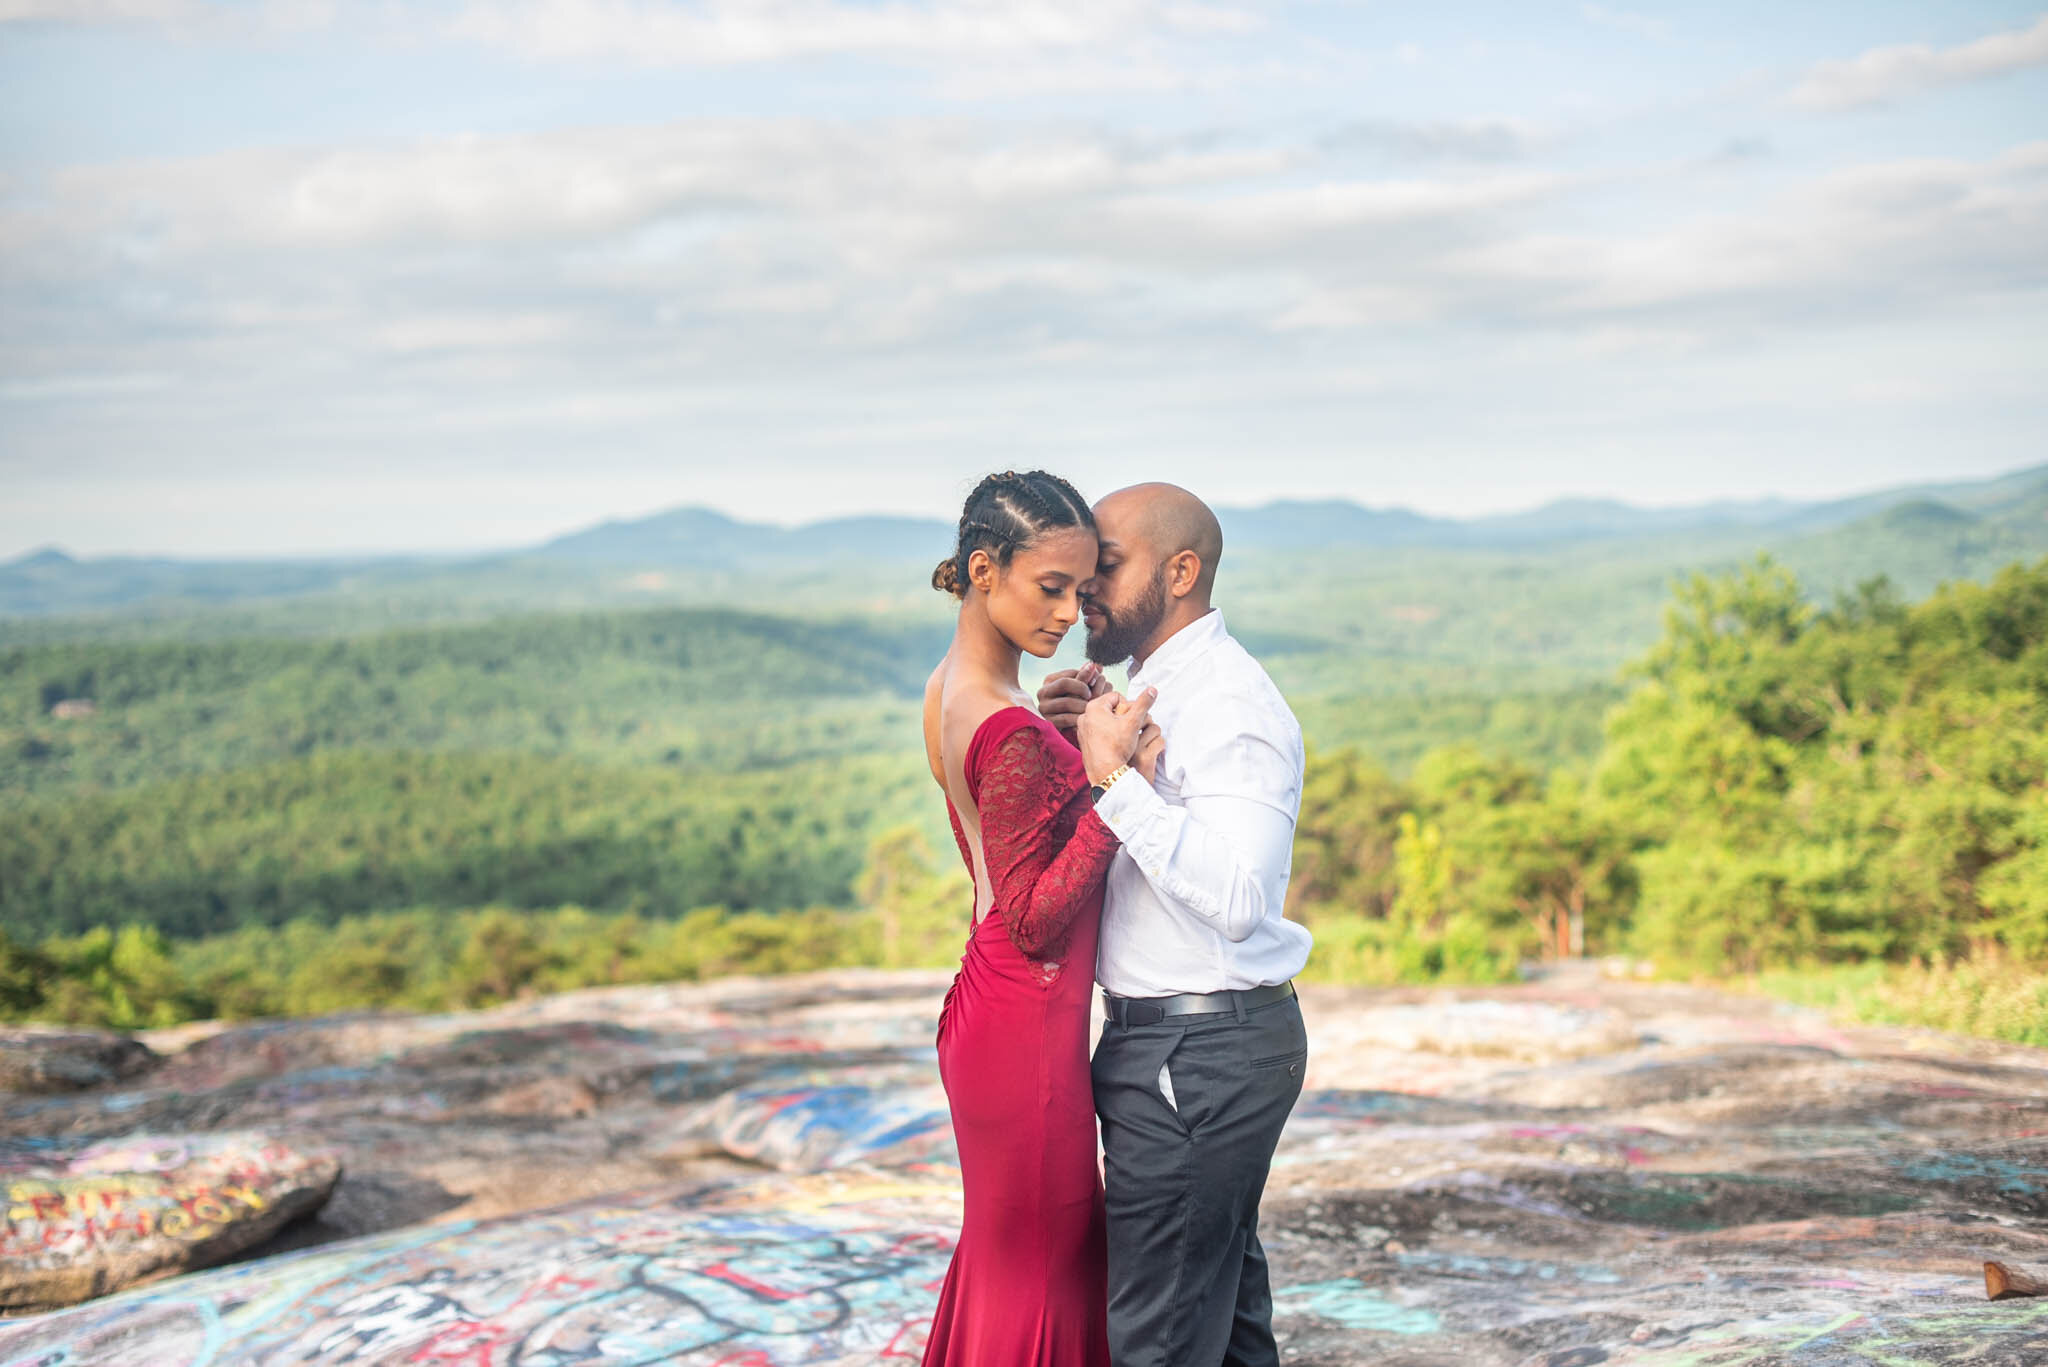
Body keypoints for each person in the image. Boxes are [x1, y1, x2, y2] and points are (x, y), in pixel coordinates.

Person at [1039, 482, 1313, 1367]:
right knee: (1222, 1328)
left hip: (1198, 1055)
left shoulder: (1231, 706)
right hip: (1180, 1052)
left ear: (1182, 570)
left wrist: (1118, 782)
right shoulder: (1152, 691)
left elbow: (1239, 901)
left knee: (1157, 1339)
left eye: (1108, 566)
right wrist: (1092, 747)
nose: (1086, 588)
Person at [917, 469, 1159, 1367]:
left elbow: (994, 843)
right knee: (1051, 1276)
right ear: (984, 569)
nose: (1067, 610)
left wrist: (1068, 729)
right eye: (1048, 586)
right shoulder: (1010, 730)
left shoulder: (952, 688)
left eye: (1081, 589)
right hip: (1027, 1027)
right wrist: (1110, 781)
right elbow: (1036, 918)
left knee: (1008, 1265)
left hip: (987, 1010)